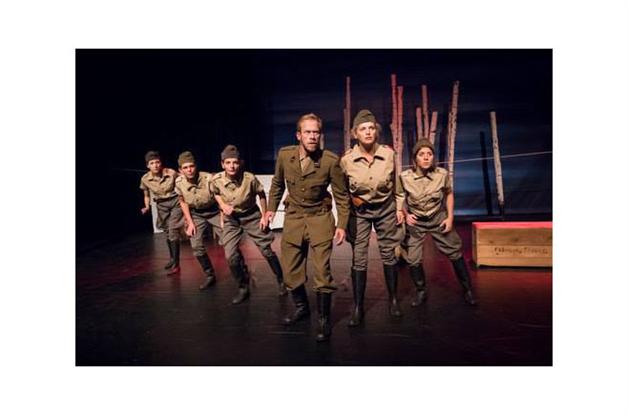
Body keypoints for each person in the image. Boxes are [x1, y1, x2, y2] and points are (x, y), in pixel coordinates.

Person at [264, 113, 350, 342]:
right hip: (294, 219)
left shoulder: (330, 161)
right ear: (298, 135)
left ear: (320, 135)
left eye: (316, 132)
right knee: (291, 270)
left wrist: (342, 225)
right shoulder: (285, 156)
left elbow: (342, 196)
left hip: (319, 219)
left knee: (322, 273)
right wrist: (270, 209)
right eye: (308, 132)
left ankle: (323, 319)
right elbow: (277, 184)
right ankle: (302, 308)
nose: (312, 136)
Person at [340, 109, 406, 326]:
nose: (368, 132)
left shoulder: (388, 154)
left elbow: (397, 185)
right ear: (355, 133)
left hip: (385, 209)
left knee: (388, 254)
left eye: (371, 128)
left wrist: (399, 208)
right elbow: (342, 189)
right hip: (360, 213)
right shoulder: (347, 160)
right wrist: (350, 203)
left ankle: (393, 299)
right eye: (363, 129)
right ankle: (358, 306)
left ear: (376, 131)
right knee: (359, 257)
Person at [400, 139, 477, 306]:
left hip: (437, 217)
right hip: (416, 221)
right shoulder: (405, 177)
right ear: (415, 158)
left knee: (455, 252)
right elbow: (399, 198)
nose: (426, 157)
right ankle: (421, 291)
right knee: (413, 258)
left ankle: (468, 290)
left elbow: (449, 193)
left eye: (429, 154)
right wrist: (405, 214)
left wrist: (450, 217)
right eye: (421, 154)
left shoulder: (441, 174)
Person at [210, 144, 287, 305]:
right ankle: (243, 286)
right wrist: (222, 205)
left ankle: (281, 280)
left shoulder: (249, 178)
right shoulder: (217, 180)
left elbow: (261, 194)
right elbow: (215, 193)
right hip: (232, 219)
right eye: (228, 162)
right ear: (222, 164)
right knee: (230, 255)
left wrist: (264, 215)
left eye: (235, 162)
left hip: (251, 215)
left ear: (240, 163)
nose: (232, 166)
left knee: (266, 250)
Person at [174, 151, 223, 291]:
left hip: (214, 211)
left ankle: (242, 270)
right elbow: (183, 201)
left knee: (229, 241)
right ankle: (209, 275)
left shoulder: (208, 178)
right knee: (196, 246)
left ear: (196, 166)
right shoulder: (179, 182)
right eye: (185, 167)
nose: (189, 170)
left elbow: (221, 197)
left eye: (191, 166)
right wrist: (189, 222)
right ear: (180, 170)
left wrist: (222, 218)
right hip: (196, 214)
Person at [139, 150, 184, 275]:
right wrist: (146, 206)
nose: (155, 165)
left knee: (173, 229)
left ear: (161, 163)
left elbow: (182, 183)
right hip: (161, 205)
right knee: (167, 231)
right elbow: (146, 194)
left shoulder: (171, 173)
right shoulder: (145, 179)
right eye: (152, 163)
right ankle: (172, 258)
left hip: (175, 202)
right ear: (148, 165)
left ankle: (176, 264)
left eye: (157, 162)